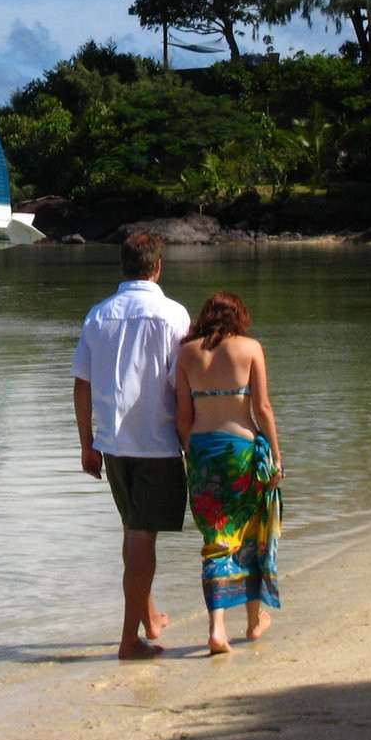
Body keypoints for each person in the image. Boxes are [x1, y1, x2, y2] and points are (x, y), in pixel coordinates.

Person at [72, 229, 191, 659]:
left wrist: (87, 444)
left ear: (122, 266)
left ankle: (148, 616)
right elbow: (185, 385)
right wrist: (191, 440)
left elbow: (81, 385)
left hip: (114, 444)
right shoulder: (175, 316)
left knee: (134, 531)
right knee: (143, 537)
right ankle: (129, 640)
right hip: (157, 442)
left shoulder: (98, 315)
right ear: (158, 266)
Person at [174, 290, 284, 656]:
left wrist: (195, 454)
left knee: (216, 540)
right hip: (242, 451)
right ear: (239, 317)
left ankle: (217, 630)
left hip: (204, 453)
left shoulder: (187, 353)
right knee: (251, 533)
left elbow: (183, 419)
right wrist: (278, 457)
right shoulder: (251, 348)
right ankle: (253, 622)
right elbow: (263, 407)